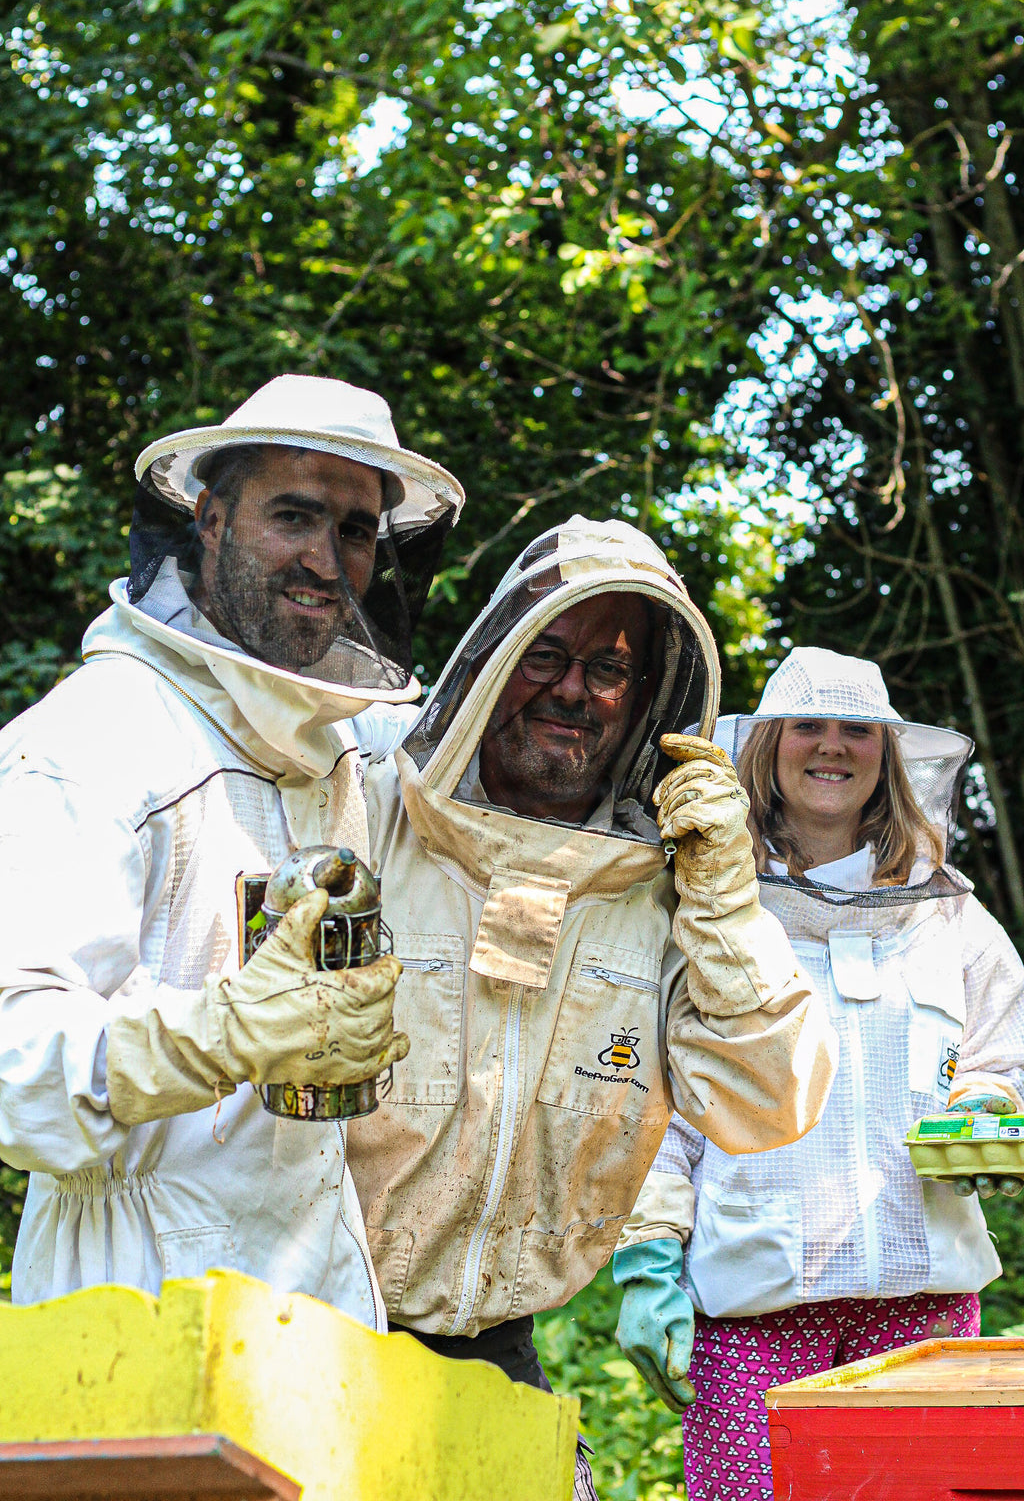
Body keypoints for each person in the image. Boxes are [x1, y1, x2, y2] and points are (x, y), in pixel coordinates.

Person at [344, 518, 838, 1498]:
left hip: (496, 1352)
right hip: (308, 1328)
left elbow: (769, 1101)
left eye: (608, 669)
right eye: (547, 654)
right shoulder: (369, 808)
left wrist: (727, 900)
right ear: (488, 662)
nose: (573, 690)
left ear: (644, 698)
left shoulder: (659, 888)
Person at [0, 372, 464, 1327]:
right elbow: (12, 1067)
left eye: (354, 530)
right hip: (130, 1299)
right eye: (293, 515)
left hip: (316, 1285)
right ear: (208, 520)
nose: (325, 561)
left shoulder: (336, 745)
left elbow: (496, 773)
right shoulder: (93, 741)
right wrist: (217, 1034)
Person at [612, 646, 1024, 1501]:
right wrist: (649, 1251)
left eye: (856, 729)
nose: (832, 746)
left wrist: (988, 1104)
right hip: (753, 1316)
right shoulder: (704, 902)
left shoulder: (951, 913)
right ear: (769, 746)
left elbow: (1000, 1055)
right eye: (809, 725)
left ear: (888, 752)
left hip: (924, 1317)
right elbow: (656, 1099)